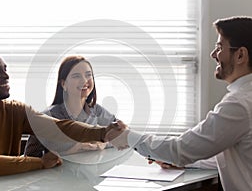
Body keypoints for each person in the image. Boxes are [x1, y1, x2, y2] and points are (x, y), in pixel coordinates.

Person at [106, 16, 252, 191]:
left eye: (219, 47)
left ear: (241, 55)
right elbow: (230, 152)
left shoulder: (239, 105)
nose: (213, 54)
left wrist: (127, 136)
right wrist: (185, 161)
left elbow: (180, 148)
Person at [0, 49, 117, 177]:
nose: (6, 76)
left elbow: (60, 127)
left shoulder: (15, 110)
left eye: (5, 69)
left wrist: (103, 132)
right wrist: (40, 163)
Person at [25, 55, 116, 157]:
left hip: (92, 172)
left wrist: (104, 144)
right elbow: (29, 157)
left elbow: (123, 134)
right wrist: (73, 150)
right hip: (58, 172)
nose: (84, 80)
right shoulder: (46, 118)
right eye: (76, 76)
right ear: (64, 84)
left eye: (88, 75)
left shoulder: (97, 111)